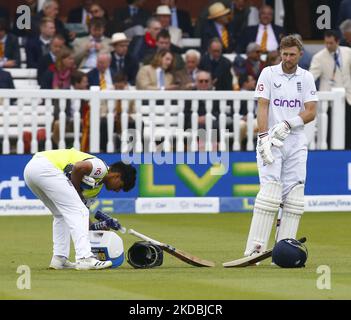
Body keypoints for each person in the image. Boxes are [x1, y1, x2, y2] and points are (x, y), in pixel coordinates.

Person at [243, 35, 318, 258]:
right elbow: (263, 106)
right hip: (272, 141)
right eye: (284, 54)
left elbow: (311, 111)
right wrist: (263, 136)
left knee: (293, 197)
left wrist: (289, 123)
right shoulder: (268, 73)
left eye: (291, 54)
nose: (287, 58)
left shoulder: (306, 77)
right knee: (269, 194)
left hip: (295, 141)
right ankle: (254, 250)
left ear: (300, 55)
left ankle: (284, 251)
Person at [23, 148, 136, 270]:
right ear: (116, 176)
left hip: (32, 170)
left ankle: (59, 259)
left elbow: (82, 212)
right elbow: (79, 167)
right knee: (76, 210)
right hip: (46, 167)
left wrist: (95, 226)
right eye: (121, 186)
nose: (118, 190)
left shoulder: (96, 189)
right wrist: (76, 190)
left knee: (60, 214)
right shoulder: (101, 168)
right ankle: (84, 258)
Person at [309, 30, 351, 149]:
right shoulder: (319, 57)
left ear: (337, 41)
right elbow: (311, 76)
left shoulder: (348, 52)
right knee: (329, 132)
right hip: (329, 103)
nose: (328, 46)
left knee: (348, 131)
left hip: (348, 98)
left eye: (331, 43)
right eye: (326, 43)